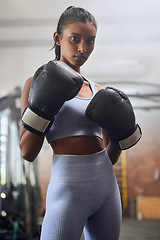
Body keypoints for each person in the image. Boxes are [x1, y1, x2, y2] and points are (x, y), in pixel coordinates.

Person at [19, 6, 142, 240]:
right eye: (74, 38)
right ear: (58, 38)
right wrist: (45, 107)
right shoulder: (34, 83)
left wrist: (120, 132)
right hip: (68, 188)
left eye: (90, 41)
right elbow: (26, 152)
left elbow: (111, 156)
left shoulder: (99, 91)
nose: (83, 48)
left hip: (106, 187)